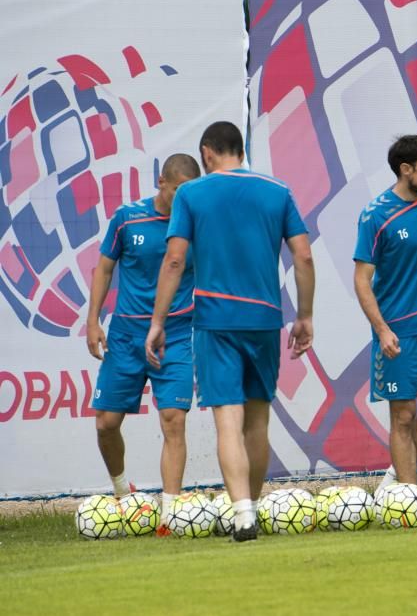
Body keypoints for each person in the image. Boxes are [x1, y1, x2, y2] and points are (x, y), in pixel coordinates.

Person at [145, 122, 315, 541]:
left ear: (206, 153)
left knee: (227, 422)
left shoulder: (190, 194)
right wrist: (305, 316)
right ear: (240, 149)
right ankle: (250, 509)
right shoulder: (278, 190)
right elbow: (304, 256)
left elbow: (174, 261)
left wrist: (158, 321)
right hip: (264, 319)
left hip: (215, 321)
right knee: (257, 423)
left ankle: (242, 515)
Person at [87, 154, 200, 534]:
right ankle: (123, 492)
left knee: (174, 421)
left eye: (192, 192)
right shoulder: (127, 218)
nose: (186, 199)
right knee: (106, 423)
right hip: (125, 335)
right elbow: (104, 267)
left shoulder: (199, 224)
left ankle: (170, 515)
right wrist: (92, 321)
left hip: (177, 334)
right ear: (162, 183)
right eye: (180, 191)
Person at [353, 135, 417, 489]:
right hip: (399, 332)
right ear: (406, 169)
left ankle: (392, 484)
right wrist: (381, 330)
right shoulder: (376, 215)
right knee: (404, 417)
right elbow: (362, 280)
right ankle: (409, 500)